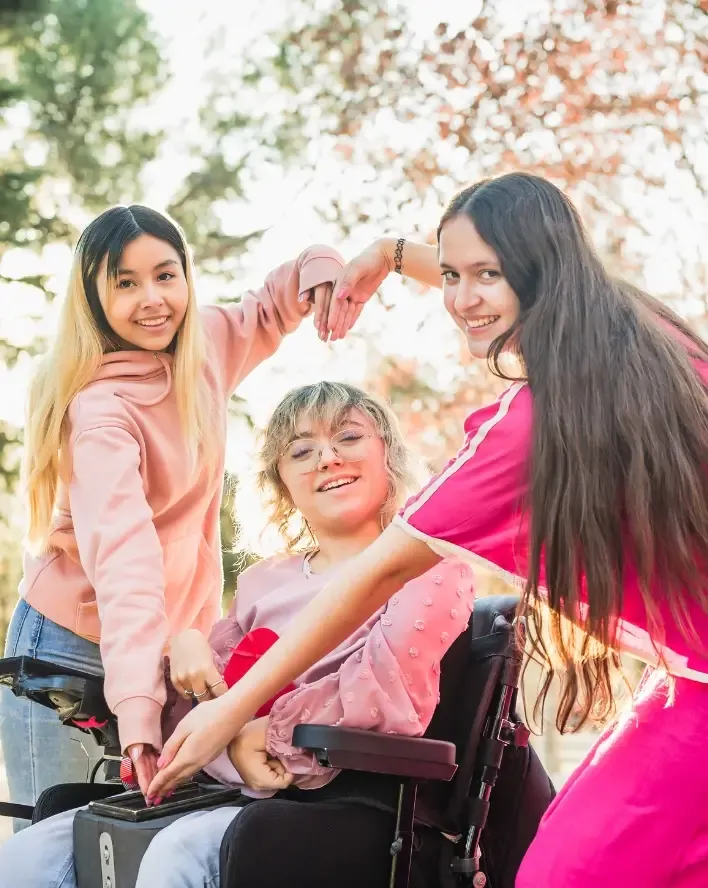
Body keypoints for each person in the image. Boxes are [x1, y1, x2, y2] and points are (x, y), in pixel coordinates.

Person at [148, 172, 708, 887]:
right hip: (688, 676)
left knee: (564, 875)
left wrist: (230, 710)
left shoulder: (525, 432)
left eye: (486, 275)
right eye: (448, 275)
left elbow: (378, 573)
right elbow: (489, 273)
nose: (460, 298)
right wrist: (389, 254)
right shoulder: (641, 333)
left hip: (701, 687)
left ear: (541, 269)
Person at [0, 380, 475, 888]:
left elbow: (385, 693)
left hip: (344, 799)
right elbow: (204, 702)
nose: (328, 459)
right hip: (228, 788)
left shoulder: (430, 568)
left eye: (349, 438)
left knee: (177, 854)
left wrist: (266, 734)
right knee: (29, 853)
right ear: (281, 483)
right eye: (302, 451)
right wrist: (183, 649)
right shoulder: (263, 582)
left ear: (389, 454)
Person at [0, 203, 359, 825]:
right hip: (70, 649)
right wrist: (138, 709)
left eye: (166, 275)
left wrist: (320, 272)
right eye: (126, 283)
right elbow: (125, 560)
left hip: (168, 650)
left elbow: (270, 307)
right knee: (57, 841)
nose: (153, 299)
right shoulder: (100, 413)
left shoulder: (203, 350)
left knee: (144, 842)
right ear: (93, 298)